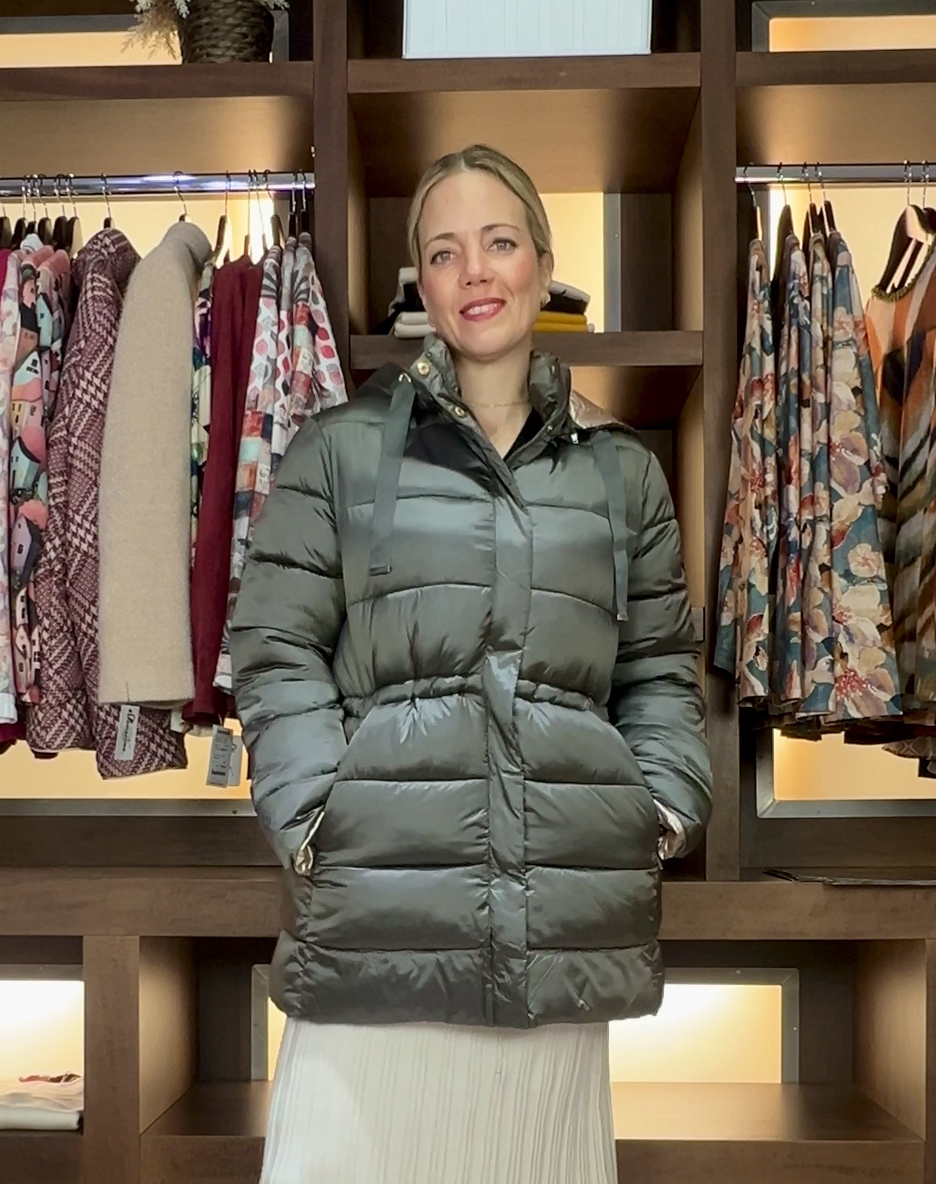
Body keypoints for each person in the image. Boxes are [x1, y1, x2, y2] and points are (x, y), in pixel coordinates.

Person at [231, 143, 712, 1184]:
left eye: (499, 242)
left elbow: (659, 667)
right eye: (444, 253)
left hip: (560, 923)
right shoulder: (339, 451)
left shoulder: (622, 472)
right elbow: (274, 646)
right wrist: (316, 820)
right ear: (423, 286)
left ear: (544, 262)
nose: (475, 272)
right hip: (378, 917)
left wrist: (660, 812)